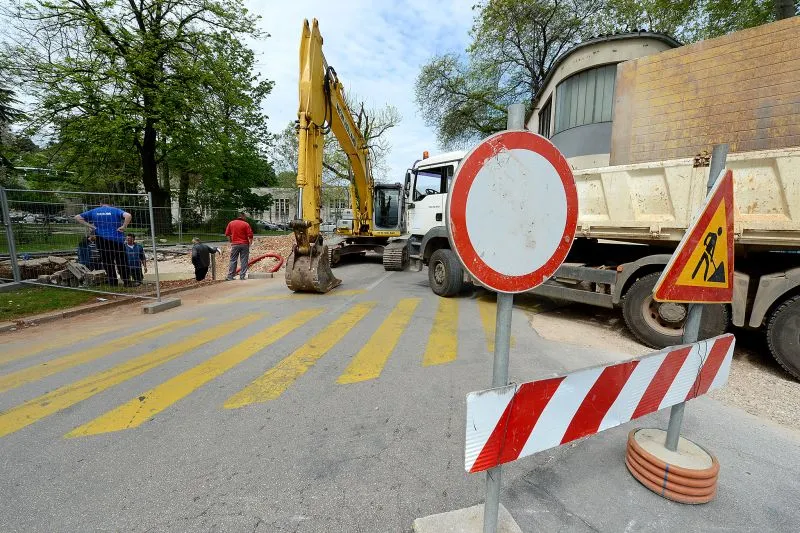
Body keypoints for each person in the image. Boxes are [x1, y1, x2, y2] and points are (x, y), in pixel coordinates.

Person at [75, 200, 132, 286]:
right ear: (111, 204)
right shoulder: (115, 210)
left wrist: (91, 226)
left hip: (101, 240)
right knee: (121, 261)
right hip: (117, 239)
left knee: (107, 262)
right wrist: (124, 226)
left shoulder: (94, 211)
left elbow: (77, 217)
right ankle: (126, 281)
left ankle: (113, 282)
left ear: (100, 203)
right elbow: (128, 215)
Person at [224, 211, 254, 280]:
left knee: (233, 260)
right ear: (242, 216)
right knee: (244, 260)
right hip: (244, 244)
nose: (246, 218)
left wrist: (231, 241)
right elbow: (250, 235)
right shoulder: (246, 224)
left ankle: (230, 276)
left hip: (235, 244)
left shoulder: (231, 223)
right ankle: (242, 276)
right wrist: (250, 243)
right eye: (245, 217)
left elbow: (227, 234)